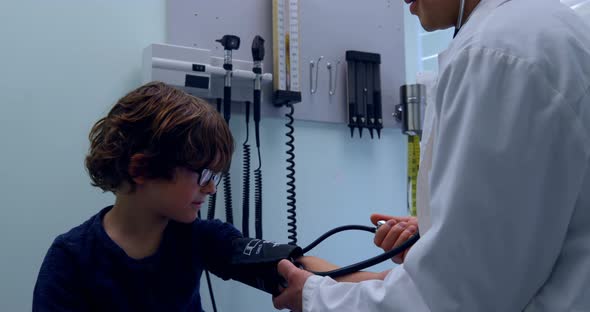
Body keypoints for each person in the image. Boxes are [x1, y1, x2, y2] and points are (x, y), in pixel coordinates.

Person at [272, 0, 590, 311]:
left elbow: (458, 297)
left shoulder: (494, 52)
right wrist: (441, 230)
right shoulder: (552, 26)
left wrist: (315, 298)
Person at [33, 82, 241, 311]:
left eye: (215, 176)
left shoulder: (199, 237)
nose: (212, 188)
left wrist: (284, 271)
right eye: (203, 174)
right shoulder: (70, 258)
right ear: (141, 168)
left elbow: (255, 257)